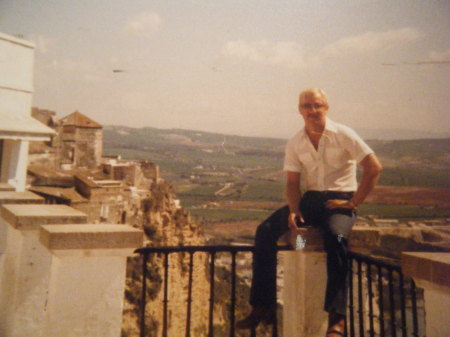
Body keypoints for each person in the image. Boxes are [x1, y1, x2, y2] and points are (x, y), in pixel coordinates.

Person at [236, 88, 382, 337]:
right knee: (266, 231)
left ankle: (337, 319)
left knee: (336, 239)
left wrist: (354, 202)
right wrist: (293, 211)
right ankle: (262, 307)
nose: (312, 111)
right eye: (307, 106)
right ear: (299, 110)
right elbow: (293, 183)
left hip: (339, 201)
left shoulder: (344, 134)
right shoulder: (296, 141)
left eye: (317, 105)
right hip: (310, 202)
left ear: (327, 107)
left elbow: (374, 167)